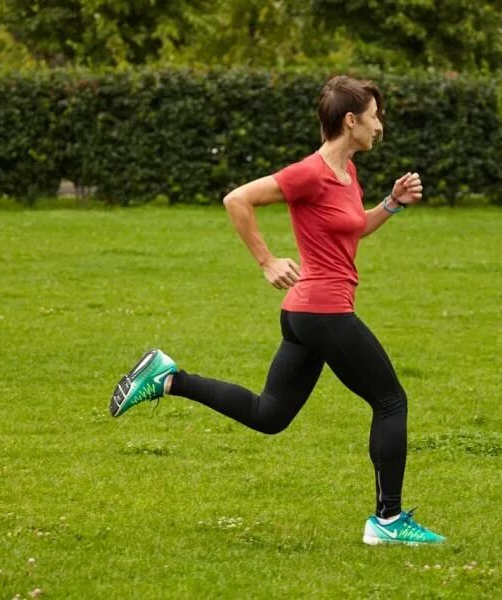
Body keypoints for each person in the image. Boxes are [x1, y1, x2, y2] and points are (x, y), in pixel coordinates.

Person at [109, 75, 445, 546]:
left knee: (270, 415)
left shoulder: (347, 175)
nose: (380, 125)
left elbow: (353, 230)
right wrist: (266, 260)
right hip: (324, 311)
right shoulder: (310, 172)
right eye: (374, 115)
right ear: (351, 121)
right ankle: (388, 522)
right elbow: (237, 199)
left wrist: (391, 204)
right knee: (391, 402)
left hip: (306, 314)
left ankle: (169, 378)